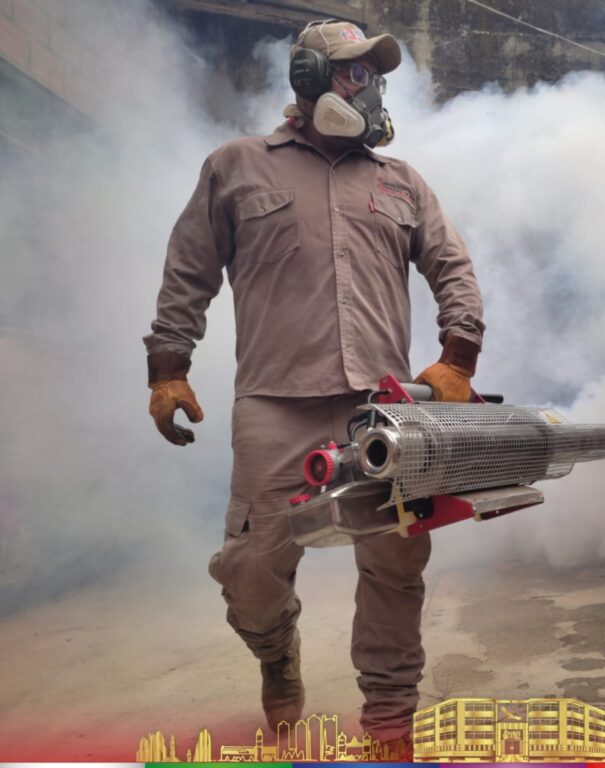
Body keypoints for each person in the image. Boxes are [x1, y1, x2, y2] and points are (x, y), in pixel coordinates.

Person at [143, 19, 485, 752]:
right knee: (251, 568)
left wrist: (458, 357)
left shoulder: (400, 182)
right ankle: (276, 650)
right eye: (355, 72)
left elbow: (452, 267)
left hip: (381, 407)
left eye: (374, 75)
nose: (370, 87)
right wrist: (169, 369)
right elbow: (188, 271)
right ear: (308, 78)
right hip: (275, 400)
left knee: (395, 562)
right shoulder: (237, 167)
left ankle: (389, 720)